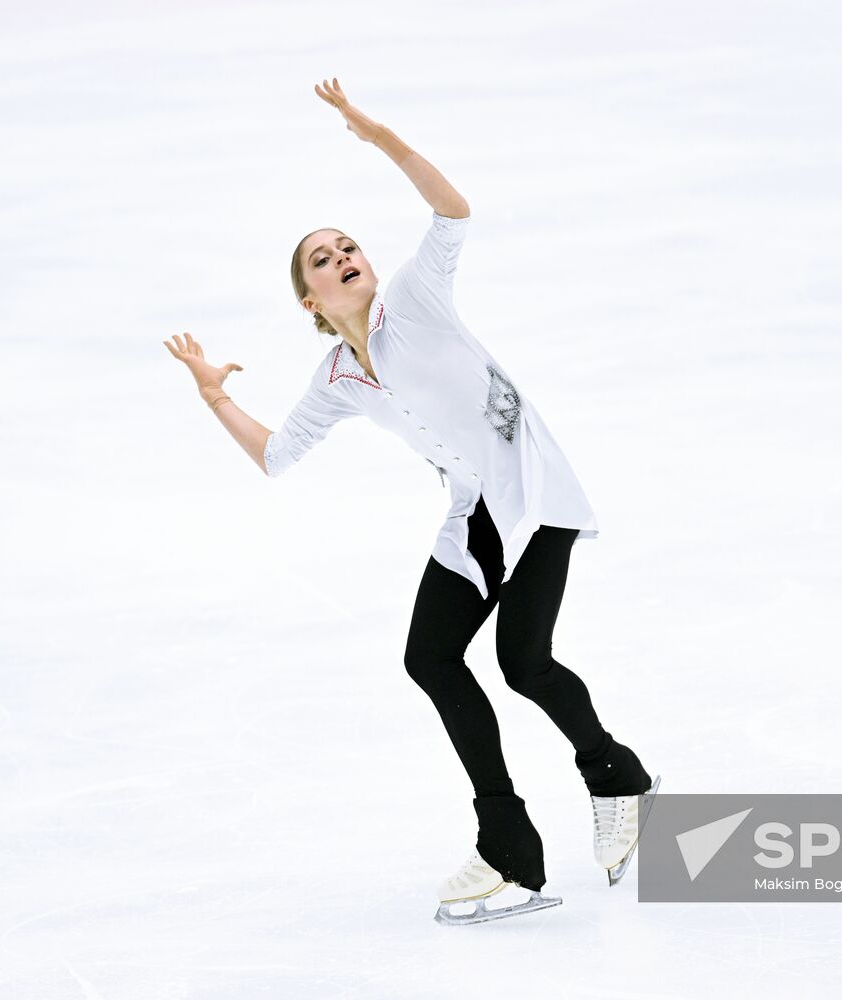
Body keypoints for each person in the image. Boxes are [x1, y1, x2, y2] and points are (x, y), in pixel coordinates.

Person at [163, 78, 657, 924]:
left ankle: (619, 780)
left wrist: (380, 137)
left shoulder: (416, 298)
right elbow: (278, 455)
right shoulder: (338, 377)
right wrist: (214, 396)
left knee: (522, 662)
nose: (342, 255)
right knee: (429, 658)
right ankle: (510, 847)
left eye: (346, 244)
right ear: (312, 302)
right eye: (322, 258)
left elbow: (452, 212)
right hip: (475, 517)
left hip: (535, 495)